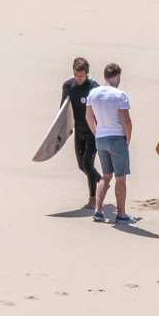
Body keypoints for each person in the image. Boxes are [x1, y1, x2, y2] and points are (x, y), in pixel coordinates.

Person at [85, 63, 136, 225]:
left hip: (101, 138)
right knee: (120, 178)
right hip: (116, 138)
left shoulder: (93, 93)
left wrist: (97, 133)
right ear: (117, 77)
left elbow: (89, 117)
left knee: (106, 176)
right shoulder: (120, 95)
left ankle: (98, 211)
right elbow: (126, 120)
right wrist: (128, 137)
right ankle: (121, 214)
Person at [61, 57, 101, 209]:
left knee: (87, 163)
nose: (79, 79)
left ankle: (93, 199)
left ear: (87, 73)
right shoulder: (68, 86)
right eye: (76, 75)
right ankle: (102, 181)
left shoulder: (94, 88)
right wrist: (65, 128)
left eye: (82, 76)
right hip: (78, 131)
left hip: (93, 132)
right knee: (81, 165)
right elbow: (63, 110)